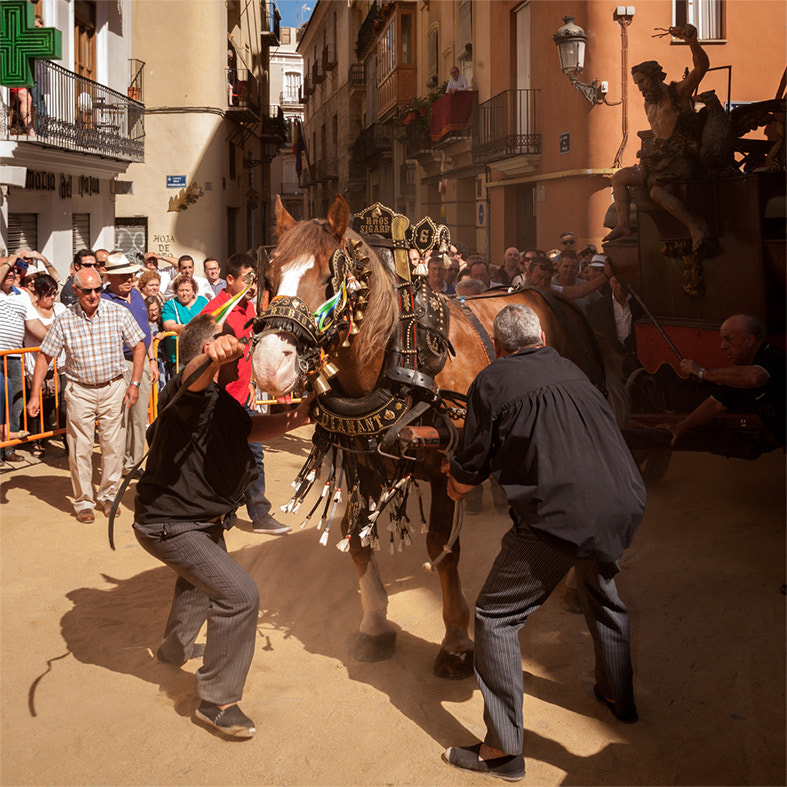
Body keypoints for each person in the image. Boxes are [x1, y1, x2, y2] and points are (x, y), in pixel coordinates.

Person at [442, 303, 645, 781]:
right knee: (602, 592)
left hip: (562, 515)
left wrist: (455, 483)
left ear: (498, 345)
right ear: (540, 338)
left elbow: (469, 472)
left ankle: (503, 752)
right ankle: (619, 697)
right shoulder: (569, 368)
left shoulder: (491, 381)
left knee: (494, 616)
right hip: (621, 500)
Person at [133, 314, 311, 738]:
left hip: (198, 523)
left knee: (198, 583)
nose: (242, 354)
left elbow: (251, 427)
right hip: (171, 525)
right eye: (231, 345)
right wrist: (210, 356)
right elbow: (188, 377)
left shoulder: (220, 399)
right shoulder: (190, 391)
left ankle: (172, 651)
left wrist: (302, 416)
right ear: (211, 348)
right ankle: (217, 700)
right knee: (239, 594)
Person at [27, 266, 146, 523]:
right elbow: (45, 355)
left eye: (98, 289)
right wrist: (34, 394)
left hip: (114, 387)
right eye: (88, 291)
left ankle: (109, 496)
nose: (94, 295)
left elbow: (139, 344)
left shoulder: (117, 313)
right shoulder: (65, 319)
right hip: (79, 390)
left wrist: (134, 383)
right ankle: (83, 502)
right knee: (80, 448)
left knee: (113, 447)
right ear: (76, 290)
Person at [200, 254, 288, 535]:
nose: (251, 285)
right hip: (221, 400)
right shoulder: (214, 312)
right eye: (246, 278)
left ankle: (259, 514)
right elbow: (206, 359)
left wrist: (250, 383)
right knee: (221, 458)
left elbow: (248, 350)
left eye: (253, 279)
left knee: (254, 453)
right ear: (229, 279)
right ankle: (218, 513)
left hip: (244, 396)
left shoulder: (249, 308)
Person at [604, 25, 709, 251]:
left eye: (642, 82)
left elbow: (701, 68)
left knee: (656, 191)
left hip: (684, 158)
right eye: (637, 84)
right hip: (661, 160)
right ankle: (623, 225)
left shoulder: (678, 93)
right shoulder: (648, 105)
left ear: (654, 78)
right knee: (620, 177)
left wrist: (692, 43)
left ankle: (694, 227)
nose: (640, 88)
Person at [663, 314, 785, 447]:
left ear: (749, 340)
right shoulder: (742, 376)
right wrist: (680, 427)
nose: (722, 346)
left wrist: (701, 372)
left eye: (728, 339)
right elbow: (715, 404)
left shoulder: (774, 357)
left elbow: (753, 377)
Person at [101, 252, 159, 475]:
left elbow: (147, 331)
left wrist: (152, 360)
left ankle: (133, 464)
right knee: (120, 416)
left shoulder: (136, 294)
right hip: (119, 363)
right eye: (123, 276)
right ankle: (119, 463)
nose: (129, 279)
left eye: (130, 274)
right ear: (110, 278)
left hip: (142, 360)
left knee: (138, 416)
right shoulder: (104, 301)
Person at [23, 274, 67, 457]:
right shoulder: (29, 310)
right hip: (36, 365)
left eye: (54, 294)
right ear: (38, 294)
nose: (51, 298)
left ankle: (66, 440)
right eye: (47, 294)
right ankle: (37, 442)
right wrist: (56, 328)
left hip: (61, 365)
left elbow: (62, 330)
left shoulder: (60, 307)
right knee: (38, 405)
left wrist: (50, 328)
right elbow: (48, 334)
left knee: (63, 405)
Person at [0, 257, 30, 462]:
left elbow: (33, 323)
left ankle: (8, 448)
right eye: (8, 270)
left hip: (15, 356)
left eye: (15, 271)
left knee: (16, 403)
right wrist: (11, 259)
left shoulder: (22, 296)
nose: (12, 273)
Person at [587, 272, 643, 378]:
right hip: (613, 363)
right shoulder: (600, 306)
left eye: (622, 282)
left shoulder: (639, 303)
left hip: (637, 361)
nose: (619, 286)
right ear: (609, 282)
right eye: (615, 282)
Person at [161, 275, 209, 373]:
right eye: (181, 290)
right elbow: (169, 325)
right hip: (179, 359)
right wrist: (193, 328)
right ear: (175, 291)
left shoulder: (203, 301)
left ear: (193, 290)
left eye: (187, 290)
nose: (184, 294)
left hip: (201, 355)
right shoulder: (170, 305)